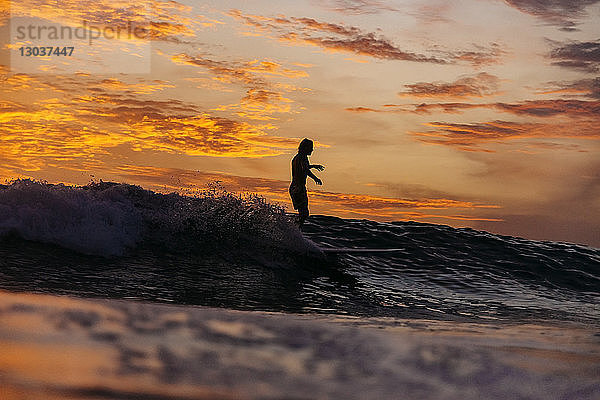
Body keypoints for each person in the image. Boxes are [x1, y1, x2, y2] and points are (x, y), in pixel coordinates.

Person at [289, 138, 324, 225]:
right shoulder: (302, 157)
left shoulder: (296, 158)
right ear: (305, 148)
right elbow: (305, 169)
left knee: (302, 214)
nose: (312, 150)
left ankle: (293, 230)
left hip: (293, 188)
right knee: (304, 214)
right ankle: (293, 230)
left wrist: (312, 166)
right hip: (299, 188)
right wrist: (315, 178)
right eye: (310, 147)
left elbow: (304, 167)